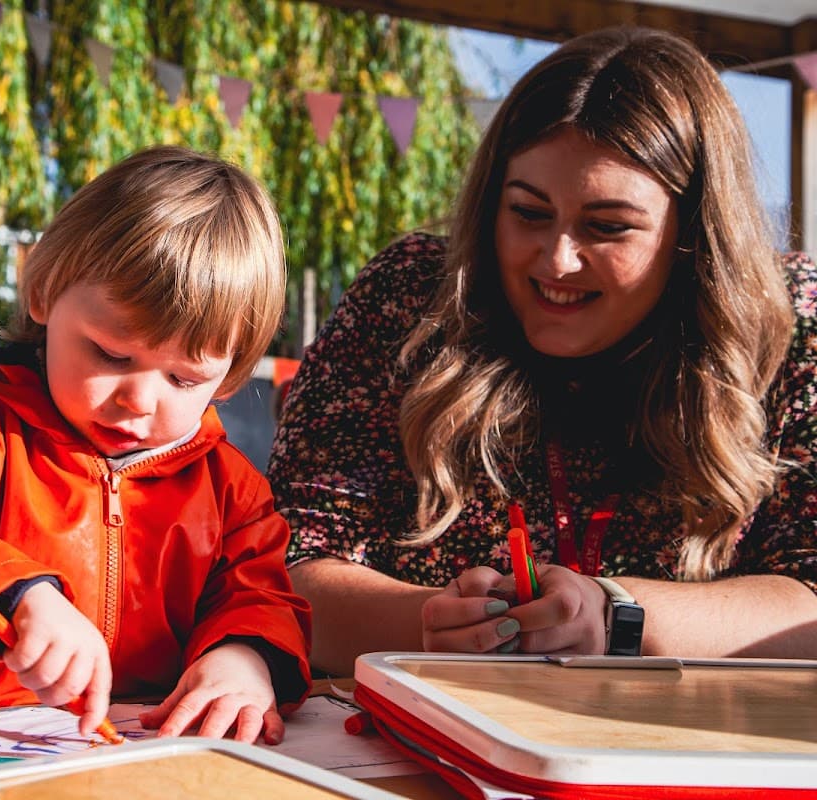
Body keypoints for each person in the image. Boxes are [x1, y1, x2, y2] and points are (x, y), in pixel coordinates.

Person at [267, 26, 817, 678]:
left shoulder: (790, 323)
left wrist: (616, 615)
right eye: (528, 212)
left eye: (607, 226)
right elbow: (280, 569)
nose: (557, 259)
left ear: (694, 235)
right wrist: (426, 626)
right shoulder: (413, 295)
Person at [0, 145, 312, 744]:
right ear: (44, 296)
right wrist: (14, 593)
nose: (139, 399)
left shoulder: (232, 492)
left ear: (231, 374)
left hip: (147, 768)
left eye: (184, 379)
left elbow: (262, 594)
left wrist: (245, 655)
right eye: (110, 353)